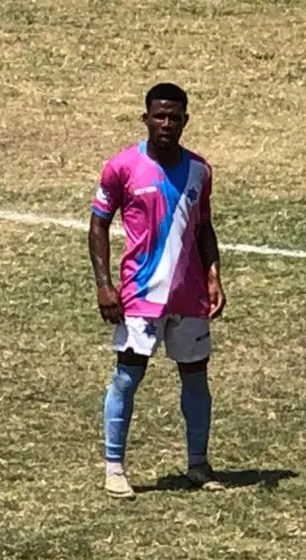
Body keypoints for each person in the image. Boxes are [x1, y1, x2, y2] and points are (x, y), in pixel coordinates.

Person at [87, 82, 227, 499]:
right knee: (127, 379)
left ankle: (198, 464)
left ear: (185, 120)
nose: (166, 124)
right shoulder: (122, 167)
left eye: (175, 117)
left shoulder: (200, 170)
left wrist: (214, 276)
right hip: (140, 295)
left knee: (196, 381)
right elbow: (98, 224)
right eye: (159, 116)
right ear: (145, 118)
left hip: (189, 297)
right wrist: (103, 285)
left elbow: (203, 227)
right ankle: (115, 468)